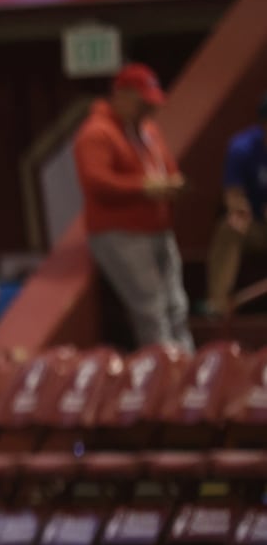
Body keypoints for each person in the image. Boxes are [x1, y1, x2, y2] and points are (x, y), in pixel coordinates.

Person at [74, 63, 192, 351]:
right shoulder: (96, 133)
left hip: (158, 229)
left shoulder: (147, 129)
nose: (149, 110)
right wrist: (143, 187)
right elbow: (96, 182)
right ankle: (164, 377)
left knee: (176, 304)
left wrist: (171, 182)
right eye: (143, 103)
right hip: (121, 234)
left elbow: (165, 164)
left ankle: (189, 371)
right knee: (151, 309)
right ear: (122, 96)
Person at [207, 93, 267, 316]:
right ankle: (218, 303)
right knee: (230, 227)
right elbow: (233, 194)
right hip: (256, 226)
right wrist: (240, 210)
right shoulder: (242, 147)